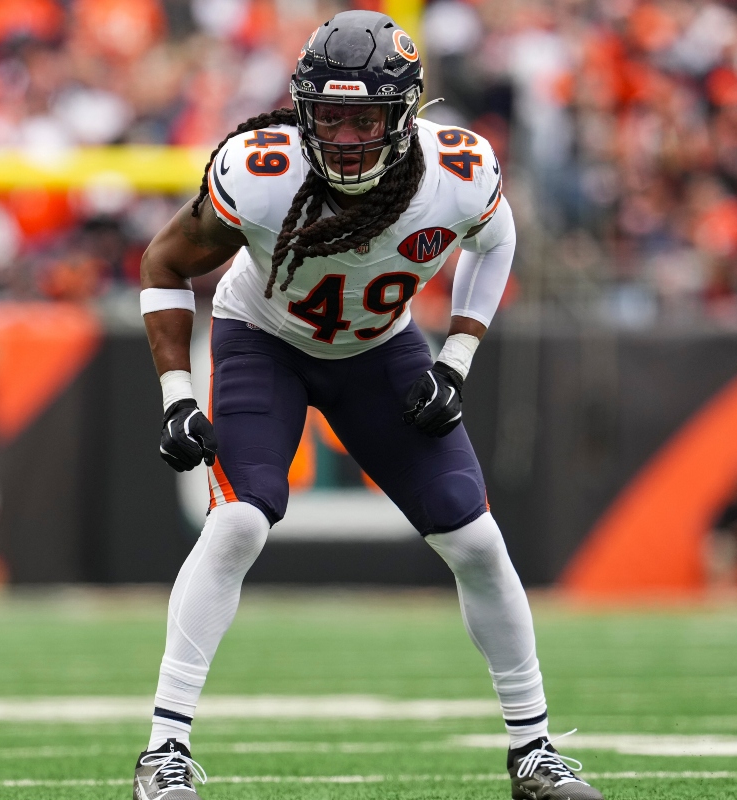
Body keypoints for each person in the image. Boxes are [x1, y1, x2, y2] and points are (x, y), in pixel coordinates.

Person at [132, 12, 602, 800]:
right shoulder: (261, 169)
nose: (346, 136)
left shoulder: (458, 171)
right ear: (301, 110)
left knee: (476, 539)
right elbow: (163, 260)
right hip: (264, 339)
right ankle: (164, 751)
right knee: (241, 518)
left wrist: (456, 358)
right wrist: (176, 395)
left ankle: (534, 752)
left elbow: (499, 241)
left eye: (366, 118)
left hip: (379, 351)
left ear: (406, 114)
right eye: (330, 115)